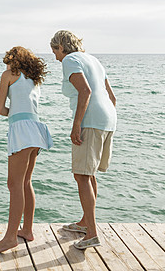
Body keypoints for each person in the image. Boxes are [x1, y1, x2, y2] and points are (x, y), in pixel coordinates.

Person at [50, 30, 117, 250]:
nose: (55, 57)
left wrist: (77, 125)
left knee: (81, 175)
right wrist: (103, 119)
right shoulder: (94, 60)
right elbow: (112, 97)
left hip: (91, 120)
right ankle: (86, 222)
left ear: (61, 46)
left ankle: (92, 233)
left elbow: (85, 91)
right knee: (89, 174)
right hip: (108, 119)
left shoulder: (70, 59)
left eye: (55, 51)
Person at [0, 47, 53, 253]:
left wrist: (13, 113)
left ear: (12, 61)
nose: (6, 65)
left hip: (22, 130)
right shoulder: (33, 79)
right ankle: (27, 230)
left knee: (14, 184)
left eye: (7, 61)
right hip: (37, 128)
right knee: (25, 182)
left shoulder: (8, 75)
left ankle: (9, 238)